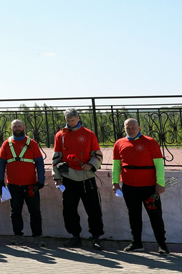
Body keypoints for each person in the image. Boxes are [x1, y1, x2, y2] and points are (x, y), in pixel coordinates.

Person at [113, 118, 169, 254]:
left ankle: (162, 245)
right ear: (124, 128)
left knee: (155, 216)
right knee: (134, 215)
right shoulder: (119, 143)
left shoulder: (150, 142)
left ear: (139, 127)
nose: (131, 130)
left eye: (133, 127)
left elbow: (159, 164)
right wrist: (115, 183)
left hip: (149, 188)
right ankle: (136, 243)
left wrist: (160, 183)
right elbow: (116, 165)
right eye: (128, 127)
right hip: (129, 187)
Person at [53, 108, 105, 249]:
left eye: (73, 120)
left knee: (93, 208)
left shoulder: (89, 134)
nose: (70, 123)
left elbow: (98, 155)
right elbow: (56, 158)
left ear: (78, 118)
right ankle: (75, 236)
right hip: (68, 177)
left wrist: (91, 165)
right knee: (69, 209)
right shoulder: (60, 135)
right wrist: (57, 178)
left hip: (87, 177)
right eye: (68, 120)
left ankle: (96, 237)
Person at [0, 119, 46, 246]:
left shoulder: (32, 143)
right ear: (11, 128)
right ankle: (17, 236)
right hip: (13, 185)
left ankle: (38, 237)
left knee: (35, 212)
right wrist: (0, 181)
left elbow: (40, 163)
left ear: (24, 127)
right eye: (15, 126)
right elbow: (1, 164)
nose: (17, 128)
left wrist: (40, 181)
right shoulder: (6, 144)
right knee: (15, 212)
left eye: (19, 126)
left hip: (31, 185)